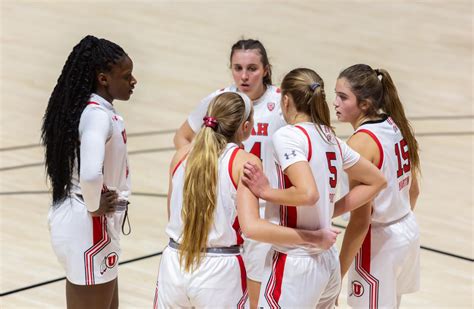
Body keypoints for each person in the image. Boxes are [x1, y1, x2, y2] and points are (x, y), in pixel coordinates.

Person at [155, 92, 338, 308]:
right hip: (220, 270)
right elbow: (252, 227)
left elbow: (172, 214)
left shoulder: (181, 155)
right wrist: (313, 237)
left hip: (174, 261)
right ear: (246, 126)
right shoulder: (245, 162)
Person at [241, 68, 387, 308]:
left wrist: (266, 192)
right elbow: (377, 180)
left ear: (286, 101)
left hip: (296, 263)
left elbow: (308, 193)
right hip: (326, 261)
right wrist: (330, 210)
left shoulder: (287, 135)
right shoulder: (329, 136)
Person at [173, 38, 285, 307]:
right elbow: (182, 137)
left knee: (257, 294)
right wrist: (207, 172)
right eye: (238, 68)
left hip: (263, 212)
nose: (244, 76)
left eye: (252, 68)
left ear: (266, 69)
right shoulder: (219, 100)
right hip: (224, 211)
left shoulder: (282, 102)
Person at [41, 35, 137, 309]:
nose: (133, 81)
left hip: (81, 219)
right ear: (103, 78)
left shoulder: (88, 109)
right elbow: (91, 173)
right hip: (88, 222)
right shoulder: (96, 115)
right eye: (126, 75)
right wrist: (95, 206)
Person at [334, 64, 421, 308]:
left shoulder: (359, 144)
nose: (335, 103)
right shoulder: (394, 125)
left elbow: (361, 221)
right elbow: (414, 190)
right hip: (406, 230)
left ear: (364, 104)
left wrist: (337, 275)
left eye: (343, 97)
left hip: (380, 241)